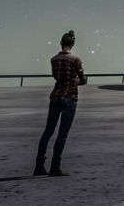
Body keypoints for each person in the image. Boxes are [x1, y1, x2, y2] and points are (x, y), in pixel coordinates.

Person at [34, 29, 87, 177]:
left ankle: (39, 165)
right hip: (69, 96)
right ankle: (55, 167)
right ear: (73, 44)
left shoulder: (54, 59)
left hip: (55, 96)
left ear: (61, 43)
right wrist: (76, 80)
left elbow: (56, 77)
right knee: (62, 133)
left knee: (48, 132)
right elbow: (82, 80)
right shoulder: (76, 60)